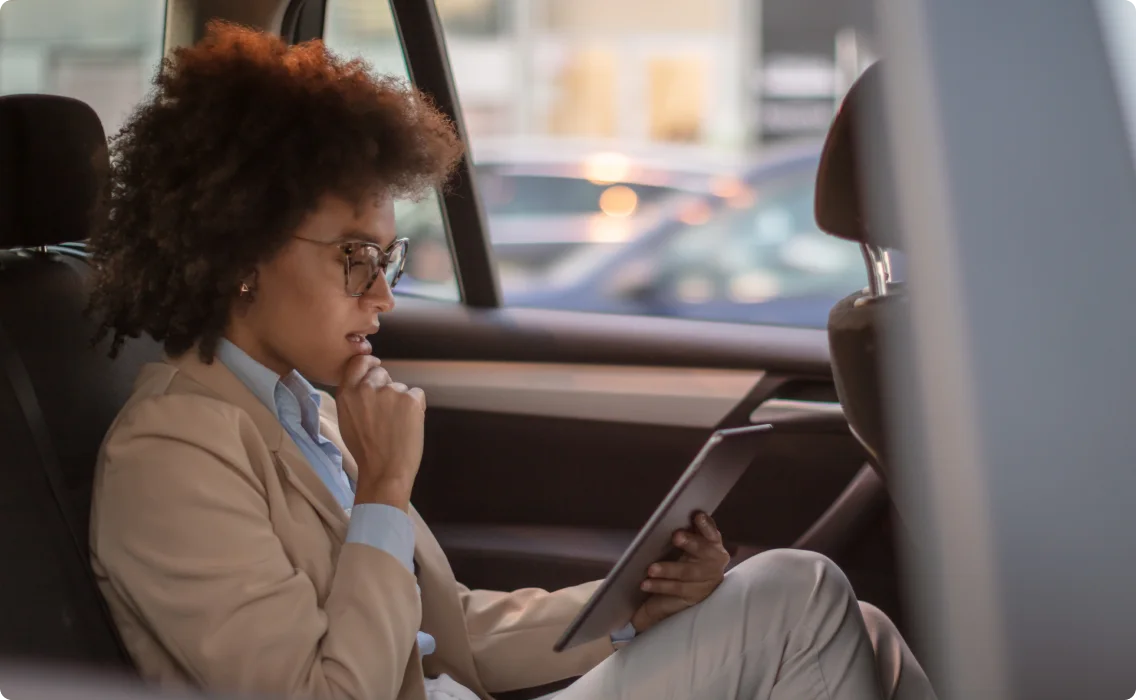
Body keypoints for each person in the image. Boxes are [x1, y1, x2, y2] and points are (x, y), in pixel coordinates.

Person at [86, 22, 936, 700]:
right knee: (804, 597)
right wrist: (383, 491)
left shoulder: (297, 411)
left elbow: (450, 635)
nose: (382, 297)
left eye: (389, 259)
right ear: (245, 249)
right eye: (355, 257)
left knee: (863, 630)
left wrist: (642, 606)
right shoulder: (170, 452)